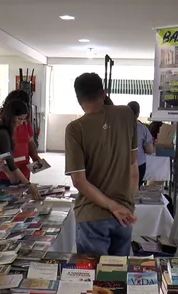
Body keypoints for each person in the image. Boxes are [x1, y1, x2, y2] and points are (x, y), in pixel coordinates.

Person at [65, 73, 138, 256]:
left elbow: (79, 181)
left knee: (93, 278)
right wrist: (126, 203)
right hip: (124, 214)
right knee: (119, 275)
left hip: (92, 215)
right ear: (104, 93)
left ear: (78, 99)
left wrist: (111, 206)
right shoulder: (127, 114)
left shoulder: (75, 128)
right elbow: (132, 161)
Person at [0, 100, 40, 199]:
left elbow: (4, 155)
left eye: (23, 120)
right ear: (11, 115)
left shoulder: (6, 128)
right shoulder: (2, 131)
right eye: (19, 119)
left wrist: (1, 161)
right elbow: (10, 162)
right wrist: (29, 185)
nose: (21, 123)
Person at [128, 101, 155, 187]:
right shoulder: (142, 129)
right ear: (138, 113)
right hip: (138, 164)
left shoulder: (117, 127)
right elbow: (149, 150)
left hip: (120, 165)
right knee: (136, 189)